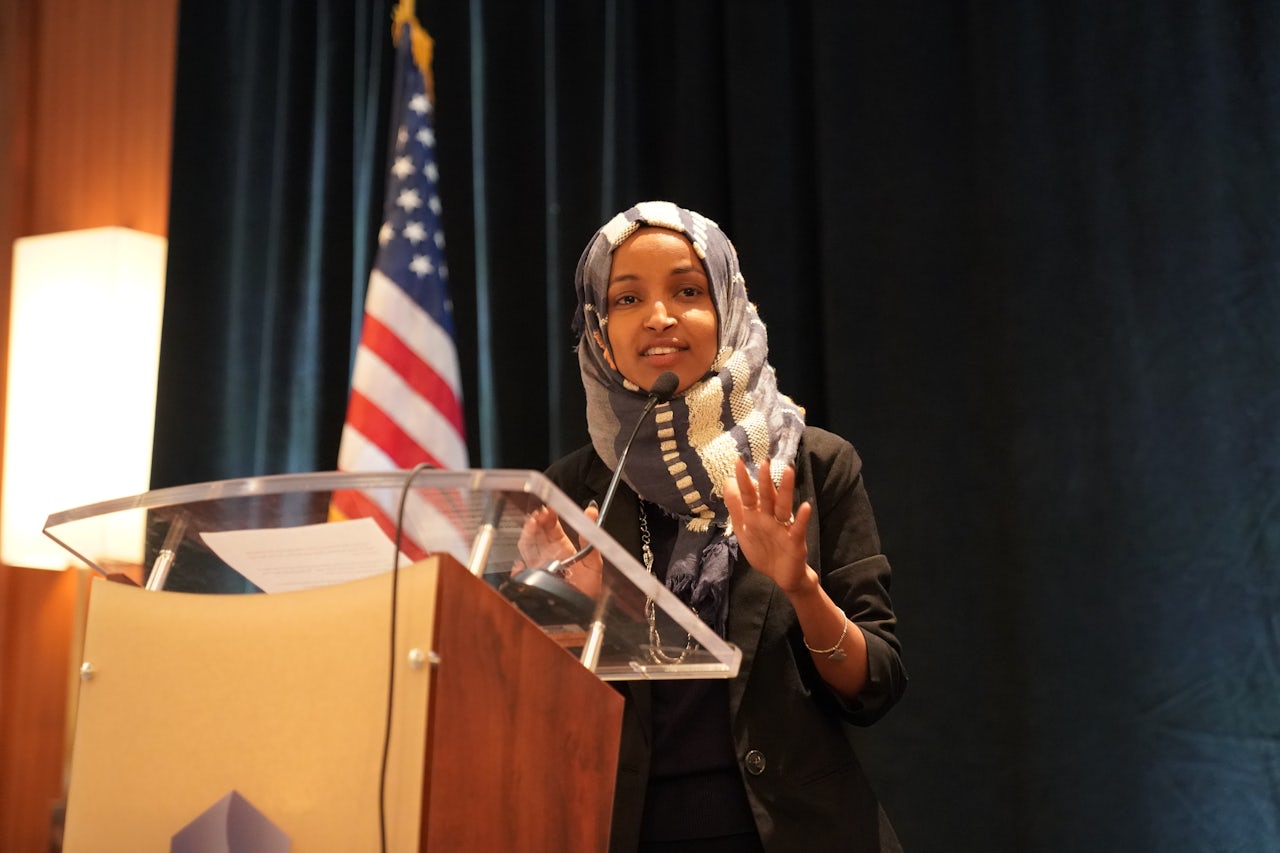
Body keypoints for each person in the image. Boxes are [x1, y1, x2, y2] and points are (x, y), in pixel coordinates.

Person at [520, 201, 907, 852]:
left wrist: (803, 589)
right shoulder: (570, 492)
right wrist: (574, 620)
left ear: (727, 305)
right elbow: (538, 722)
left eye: (688, 290)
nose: (659, 315)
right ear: (597, 325)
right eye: (626, 298)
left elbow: (876, 685)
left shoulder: (812, 463)